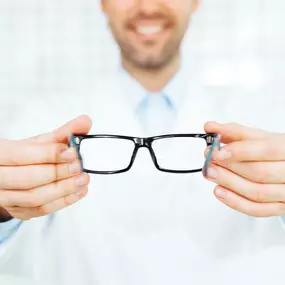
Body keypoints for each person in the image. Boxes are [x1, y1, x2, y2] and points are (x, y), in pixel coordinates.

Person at [1, 0, 285, 284]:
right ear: (103, 4)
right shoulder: (41, 119)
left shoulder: (267, 118)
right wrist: (3, 209)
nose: (148, 6)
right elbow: (13, 252)